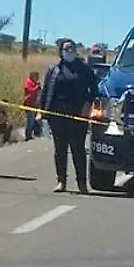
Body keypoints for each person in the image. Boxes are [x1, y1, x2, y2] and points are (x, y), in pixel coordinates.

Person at [38, 39, 99, 193]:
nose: (69, 51)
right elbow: (45, 93)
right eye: (66, 49)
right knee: (60, 150)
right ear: (61, 51)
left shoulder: (84, 69)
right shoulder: (54, 69)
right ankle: (61, 181)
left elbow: (94, 92)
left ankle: (82, 183)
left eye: (71, 48)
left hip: (78, 115)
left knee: (78, 149)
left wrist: (88, 105)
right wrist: (41, 111)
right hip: (57, 115)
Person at [22, 71, 42, 140]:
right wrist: (37, 87)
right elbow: (30, 90)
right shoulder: (28, 82)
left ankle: (35, 133)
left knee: (35, 120)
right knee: (30, 121)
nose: (37, 77)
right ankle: (28, 135)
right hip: (29, 104)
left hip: (35, 104)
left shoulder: (35, 83)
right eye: (36, 76)